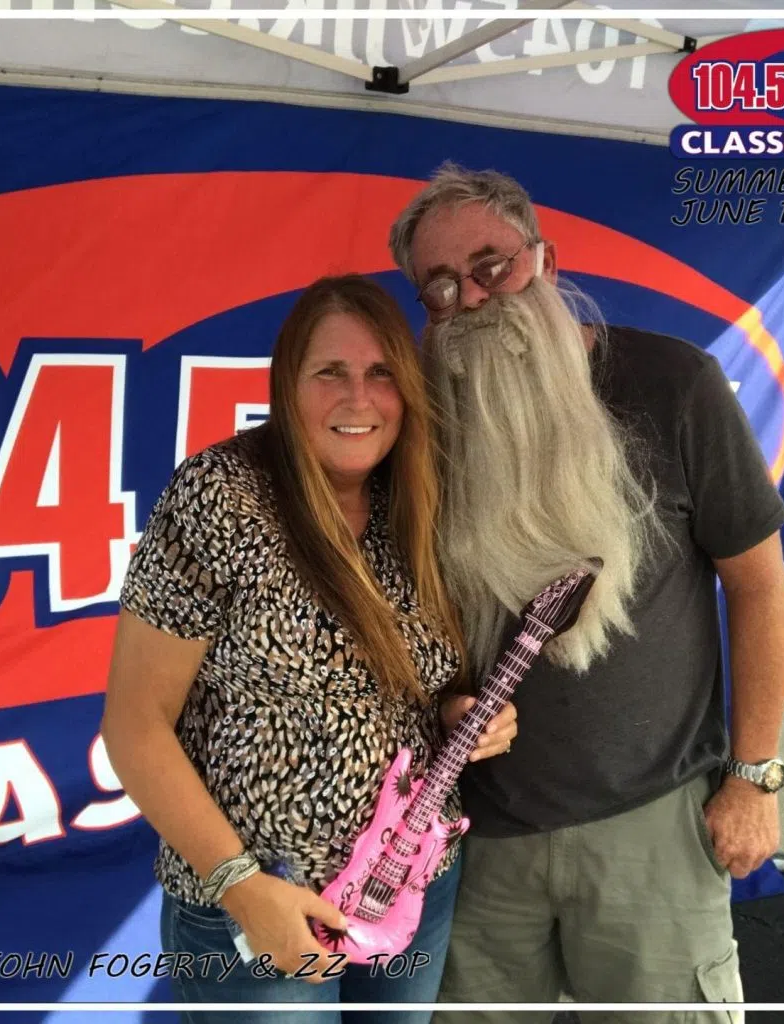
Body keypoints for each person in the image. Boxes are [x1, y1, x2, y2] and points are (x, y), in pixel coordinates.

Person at [388, 164, 784, 1021]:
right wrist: (443, 704)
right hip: (475, 838)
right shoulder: (421, 423)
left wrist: (754, 778)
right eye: (443, 284)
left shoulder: (674, 384)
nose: (474, 296)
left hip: (650, 824)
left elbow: (759, 586)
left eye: (493, 265)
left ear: (548, 260)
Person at [101, 275, 517, 1023]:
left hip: (412, 882)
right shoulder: (220, 496)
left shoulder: (415, 499)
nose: (358, 398)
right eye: (330, 372)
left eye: (381, 372)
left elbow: (413, 686)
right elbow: (134, 725)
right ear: (287, 386)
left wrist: (460, 715)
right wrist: (242, 889)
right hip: (267, 900)